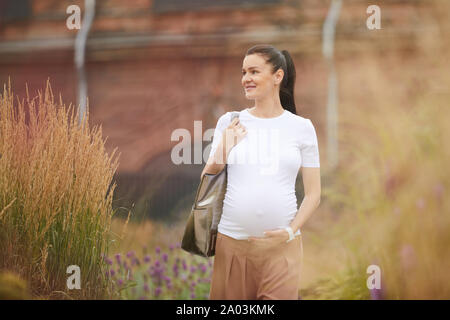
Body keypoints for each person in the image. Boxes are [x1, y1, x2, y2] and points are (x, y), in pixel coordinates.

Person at [201, 44, 321, 300]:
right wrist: (224, 148)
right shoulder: (230, 122)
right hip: (232, 244)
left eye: (254, 71)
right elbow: (206, 180)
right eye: (244, 72)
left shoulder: (302, 128)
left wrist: (290, 232)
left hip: (283, 249)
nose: (246, 79)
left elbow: (313, 194)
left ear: (278, 76)